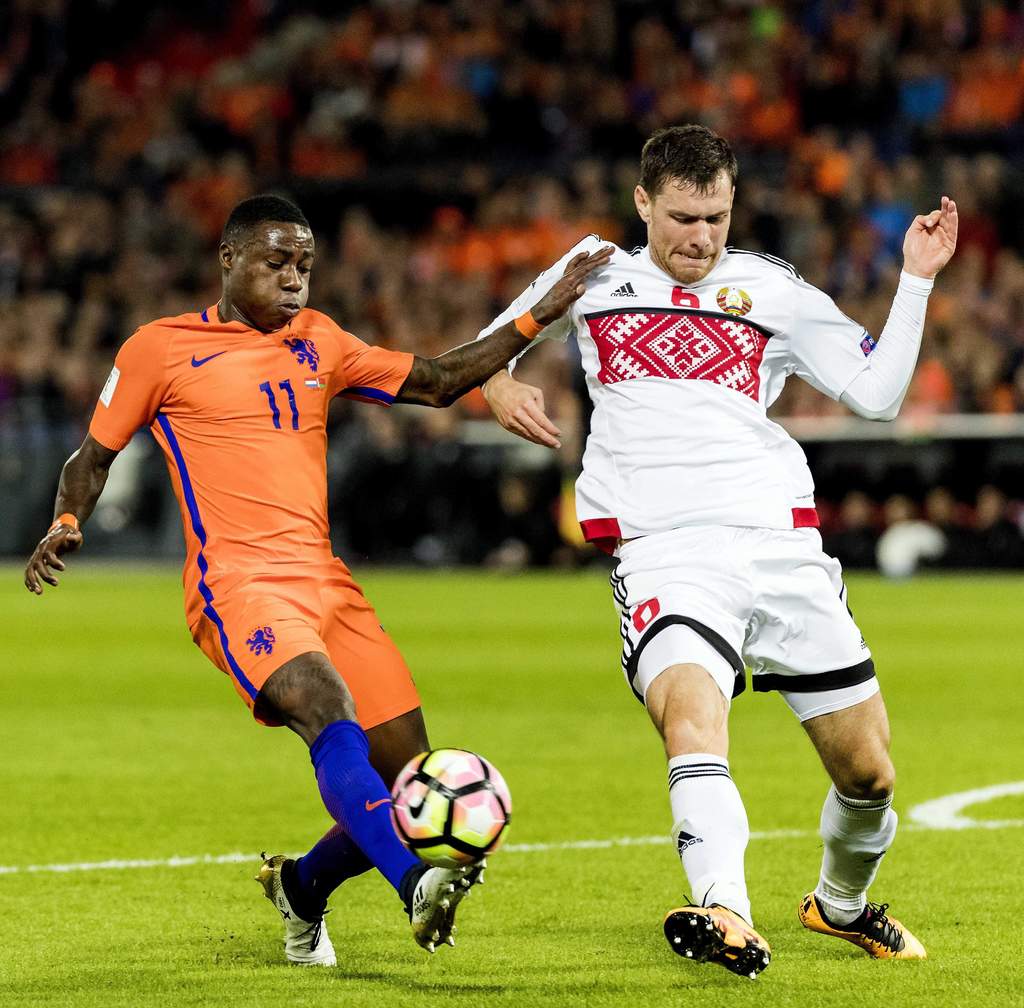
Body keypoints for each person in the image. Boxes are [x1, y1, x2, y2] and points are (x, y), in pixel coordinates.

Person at [23, 194, 612, 967]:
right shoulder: (158, 349)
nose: (294, 278)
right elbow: (90, 459)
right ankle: (417, 886)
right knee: (328, 712)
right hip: (238, 585)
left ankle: (301, 888)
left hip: (328, 582)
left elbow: (438, 380)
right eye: (276, 262)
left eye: (303, 264)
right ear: (229, 260)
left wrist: (537, 317)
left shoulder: (322, 340)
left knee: (403, 780)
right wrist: (66, 521)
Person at [479, 125, 957, 977]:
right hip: (665, 552)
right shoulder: (592, 271)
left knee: (870, 776)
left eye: (716, 218)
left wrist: (915, 279)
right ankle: (725, 911)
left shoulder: (771, 288)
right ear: (642, 203)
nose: (700, 238)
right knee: (693, 720)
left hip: (780, 545)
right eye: (682, 218)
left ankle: (839, 905)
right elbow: (489, 344)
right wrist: (497, 383)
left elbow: (879, 396)